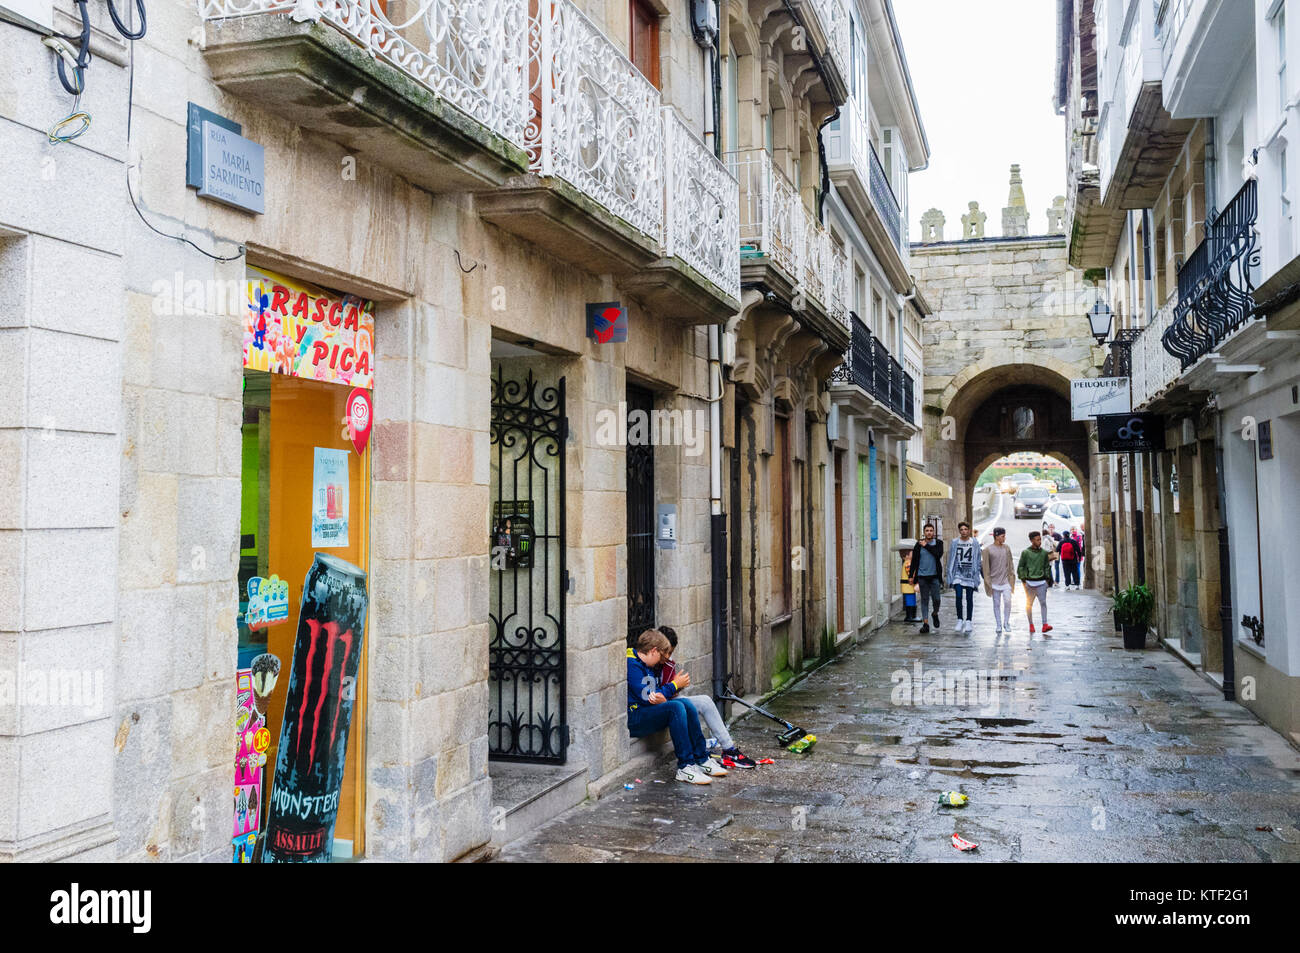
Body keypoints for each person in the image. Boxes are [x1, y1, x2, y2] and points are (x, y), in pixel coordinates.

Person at [626, 629, 727, 784]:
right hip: (636, 718)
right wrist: (674, 685)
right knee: (675, 708)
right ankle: (685, 767)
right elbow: (649, 697)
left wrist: (664, 693)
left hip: (646, 710)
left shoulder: (646, 663)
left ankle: (701, 758)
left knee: (684, 703)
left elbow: (656, 695)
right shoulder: (632, 664)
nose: (663, 660)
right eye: (661, 655)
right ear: (653, 651)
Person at [656, 626, 757, 768]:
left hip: (667, 700)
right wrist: (674, 685)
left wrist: (677, 686)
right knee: (682, 706)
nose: (667, 656)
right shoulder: (647, 662)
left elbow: (667, 690)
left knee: (705, 701)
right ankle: (691, 761)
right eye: (665, 652)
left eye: (670, 652)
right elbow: (653, 695)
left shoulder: (667, 662)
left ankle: (729, 750)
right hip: (656, 707)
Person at [945, 521, 982, 635]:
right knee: (959, 595)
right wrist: (949, 572)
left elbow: (978, 558)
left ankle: (969, 621)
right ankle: (960, 619)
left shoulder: (974, 542)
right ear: (959, 531)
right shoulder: (955, 542)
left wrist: (977, 573)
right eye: (961, 529)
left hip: (970, 574)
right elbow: (951, 557)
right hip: (958, 573)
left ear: (969, 530)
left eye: (966, 529)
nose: (964, 531)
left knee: (969, 598)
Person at [1016, 531, 1056, 634]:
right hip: (1029, 582)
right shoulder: (1025, 553)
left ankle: (1045, 624)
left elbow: (1047, 567)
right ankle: (1031, 625)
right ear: (1031, 540)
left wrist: (1047, 580)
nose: (1040, 542)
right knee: (1029, 604)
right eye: (1037, 540)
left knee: (1043, 603)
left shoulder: (1043, 553)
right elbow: (1021, 567)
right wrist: (1024, 580)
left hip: (1042, 582)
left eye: (1040, 539)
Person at [908, 523, 944, 633]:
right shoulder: (918, 545)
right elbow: (914, 561)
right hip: (922, 576)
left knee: (937, 599)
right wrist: (911, 576)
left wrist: (926, 546)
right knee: (924, 600)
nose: (929, 532)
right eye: (927, 530)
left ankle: (935, 613)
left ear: (933, 532)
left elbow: (938, 554)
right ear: (924, 532)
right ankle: (926, 623)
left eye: (931, 530)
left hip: (934, 577)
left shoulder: (938, 543)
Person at [981, 527, 1016, 635]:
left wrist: (1012, 576)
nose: (1004, 538)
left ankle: (1006, 622)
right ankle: (999, 624)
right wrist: (988, 581)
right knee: (996, 604)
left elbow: (1010, 563)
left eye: (1004, 536)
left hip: (1006, 581)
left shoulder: (1006, 548)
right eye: (1002, 536)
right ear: (996, 536)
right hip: (994, 582)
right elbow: (985, 567)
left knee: (1008, 601)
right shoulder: (988, 550)